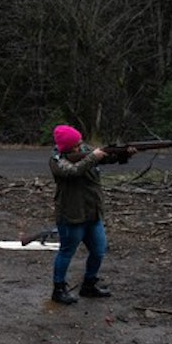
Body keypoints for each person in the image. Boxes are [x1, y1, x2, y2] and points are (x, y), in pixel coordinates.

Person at [48, 125, 135, 304]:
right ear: (68, 147)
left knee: (99, 250)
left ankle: (89, 284)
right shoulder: (56, 160)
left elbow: (105, 158)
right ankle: (58, 289)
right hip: (71, 215)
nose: (81, 147)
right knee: (66, 252)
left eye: (80, 143)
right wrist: (93, 157)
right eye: (77, 145)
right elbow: (72, 171)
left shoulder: (84, 150)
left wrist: (124, 154)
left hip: (92, 212)